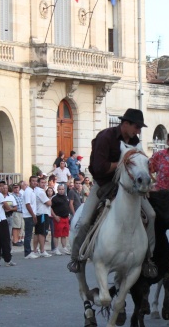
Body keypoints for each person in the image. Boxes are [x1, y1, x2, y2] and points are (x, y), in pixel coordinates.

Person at [69, 108, 156, 277]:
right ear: (125, 124)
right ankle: (76, 258)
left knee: (151, 215)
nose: (138, 131)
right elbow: (98, 168)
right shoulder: (105, 137)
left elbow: (138, 160)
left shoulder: (134, 140)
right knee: (85, 220)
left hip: (129, 186)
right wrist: (122, 164)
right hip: (104, 185)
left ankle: (147, 258)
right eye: (136, 127)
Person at [33, 176, 53, 258]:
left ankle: (35, 250)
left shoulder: (37, 191)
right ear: (38, 183)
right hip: (42, 214)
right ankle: (42, 250)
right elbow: (49, 203)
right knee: (42, 233)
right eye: (42, 182)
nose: (44, 184)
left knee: (37, 233)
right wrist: (49, 199)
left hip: (39, 213)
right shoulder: (40, 192)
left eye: (45, 182)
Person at [51, 183, 71, 255]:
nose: (61, 191)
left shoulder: (66, 197)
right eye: (60, 189)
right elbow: (50, 208)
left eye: (62, 189)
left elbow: (68, 206)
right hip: (58, 218)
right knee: (57, 234)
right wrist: (55, 216)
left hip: (66, 218)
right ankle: (56, 248)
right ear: (57, 190)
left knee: (64, 235)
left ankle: (64, 248)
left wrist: (68, 215)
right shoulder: (54, 198)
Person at [22, 177, 37, 259]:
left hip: (31, 215)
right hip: (28, 215)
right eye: (33, 181)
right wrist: (33, 215)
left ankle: (29, 251)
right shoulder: (28, 191)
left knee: (29, 234)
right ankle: (27, 252)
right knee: (28, 234)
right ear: (30, 182)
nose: (34, 182)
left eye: (35, 181)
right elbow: (28, 204)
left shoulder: (32, 191)